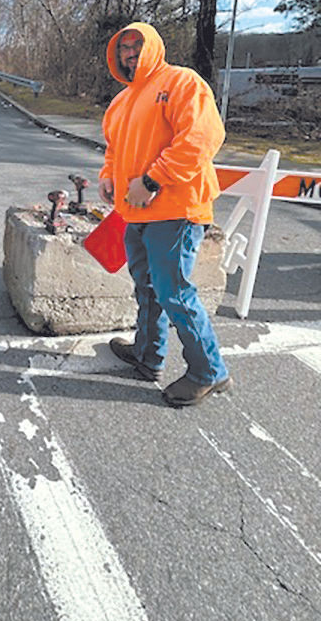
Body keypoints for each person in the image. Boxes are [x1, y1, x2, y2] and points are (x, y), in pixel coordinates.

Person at [98, 22, 232, 407]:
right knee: (147, 286)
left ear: (153, 45)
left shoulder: (181, 82)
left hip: (175, 208)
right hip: (136, 211)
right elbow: (113, 149)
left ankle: (210, 372)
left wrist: (153, 179)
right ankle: (147, 355)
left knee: (173, 290)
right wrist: (108, 176)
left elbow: (202, 138)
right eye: (123, 47)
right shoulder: (122, 100)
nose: (130, 52)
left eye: (136, 44)